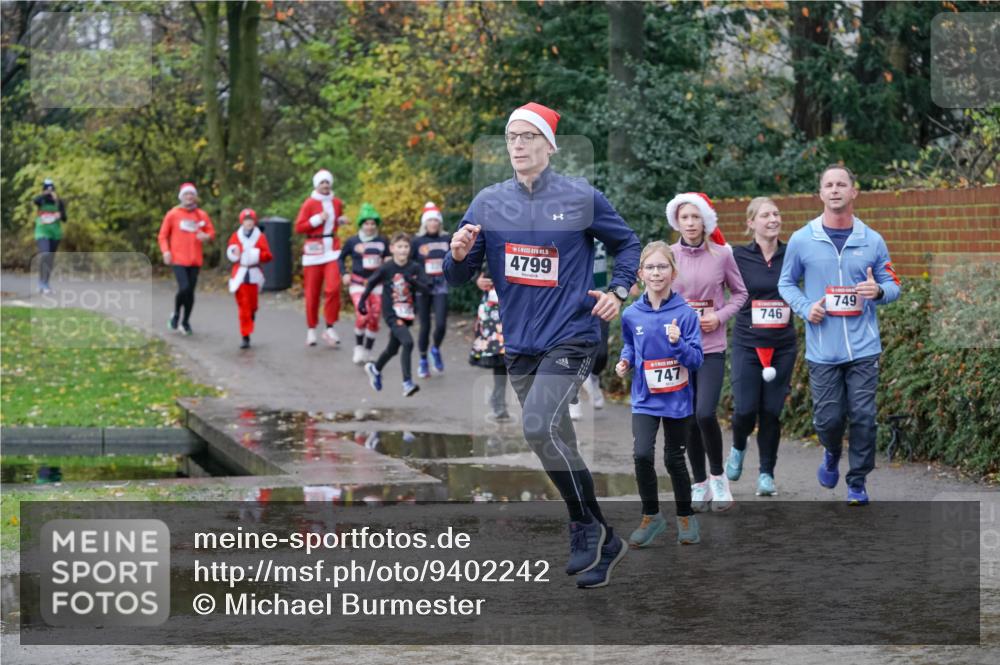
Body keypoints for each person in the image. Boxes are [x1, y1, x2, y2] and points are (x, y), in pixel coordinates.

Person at [444, 102, 641, 589]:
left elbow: (629, 245)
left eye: (528, 136)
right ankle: (605, 537)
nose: (517, 145)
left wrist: (618, 291)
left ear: (548, 146)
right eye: (511, 136)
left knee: (536, 426)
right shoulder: (488, 202)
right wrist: (457, 255)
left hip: (573, 335)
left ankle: (582, 527)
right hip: (521, 346)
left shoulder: (580, 196)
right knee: (558, 443)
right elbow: (459, 276)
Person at [778, 165, 900, 505]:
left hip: (863, 349)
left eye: (841, 184)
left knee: (863, 416)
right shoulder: (803, 239)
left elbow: (894, 285)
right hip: (823, 350)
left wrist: (877, 291)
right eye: (828, 185)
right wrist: (805, 308)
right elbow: (786, 283)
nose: (835, 190)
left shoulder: (872, 240)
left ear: (853, 192)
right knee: (828, 419)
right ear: (820, 194)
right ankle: (831, 451)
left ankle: (858, 481)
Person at [617, 241, 703, 547]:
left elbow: (696, 360)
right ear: (641, 273)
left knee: (674, 459)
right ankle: (651, 515)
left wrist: (679, 343)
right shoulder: (631, 314)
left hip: (678, 400)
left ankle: (685, 516)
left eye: (662, 267)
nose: (656, 273)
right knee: (641, 454)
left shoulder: (686, 314)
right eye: (650, 267)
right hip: (644, 398)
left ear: (673, 272)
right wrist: (625, 360)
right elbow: (629, 344)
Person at [667, 192, 748, 511]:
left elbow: (740, 294)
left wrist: (719, 315)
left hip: (711, 347)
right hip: (678, 348)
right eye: (684, 217)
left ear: (705, 221)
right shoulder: (669, 255)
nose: (689, 223)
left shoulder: (722, 254)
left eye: (695, 217)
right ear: (677, 221)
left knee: (704, 413)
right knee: (686, 418)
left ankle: (719, 478)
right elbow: (656, 295)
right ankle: (699, 483)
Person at [726, 197, 797, 496]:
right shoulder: (736, 256)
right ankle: (738, 447)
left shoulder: (792, 253)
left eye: (777, 214)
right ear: (751, 222)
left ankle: (766, 474)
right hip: (747, 342)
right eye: (766, 215)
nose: (773, 219)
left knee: (771, 411)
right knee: (745, 410)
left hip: (782, 345)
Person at [360, 232, 431, 397]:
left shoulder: (415, 268)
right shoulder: (387, 268)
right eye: (399, 247)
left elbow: (427, 289)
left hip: (407, 313)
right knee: (408, 342)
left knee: (393, 349)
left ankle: (375, 368)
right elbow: (371, 282)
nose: (403, 250)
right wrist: (362, 301)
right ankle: (407, 383)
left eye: (406, 247)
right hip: (391, 314)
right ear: (392, 249)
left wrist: (412, 281)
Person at [295, 169, 349, 347]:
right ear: (316, 186)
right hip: (313, 250)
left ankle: (330, 326)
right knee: (312, 292)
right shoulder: (309, 204)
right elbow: (299, 227)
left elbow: (335, 221)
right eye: (322, 183)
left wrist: (340, 221)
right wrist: (317, 219)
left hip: (332, 249)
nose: (325, 186)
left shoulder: (337, 202)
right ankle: (311, 329)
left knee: (333, 288)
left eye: (327, 183)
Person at [158, 182, 216, 335]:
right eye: (186, 194)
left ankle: (186, 321)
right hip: (178, 259)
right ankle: (176, 314)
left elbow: (211, 233)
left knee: (190, 292)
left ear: (195, 197)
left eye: (192, 194)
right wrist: (166, 251)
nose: (189, 197)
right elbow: (163, 235)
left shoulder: (201, 215)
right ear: (181, 197)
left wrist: (206, 236)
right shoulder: (173, 214)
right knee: (183, 288)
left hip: (195, 260)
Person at [339, 202, 391, 364]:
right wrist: (344, 274)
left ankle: (368, 351)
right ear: (362, 224)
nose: (369, 227)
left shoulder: (382, 241)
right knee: (363, 315)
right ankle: (358, 348)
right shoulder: (352, 241)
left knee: (374, 317)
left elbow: (389, 260)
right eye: (367, 223)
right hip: (358, 283)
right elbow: (340, 258)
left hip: (377, 285)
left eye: (372, 223)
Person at [411, 201, 452, 378]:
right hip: (423, 287)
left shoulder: (446, 239)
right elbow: (410, 262)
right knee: (425, 326)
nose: (433, 224)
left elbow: (455, 258)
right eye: (430, 221)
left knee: (441, 323)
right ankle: (422, 361)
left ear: (439, 223)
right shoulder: (417, 241)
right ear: (424, 223)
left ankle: (435, 349)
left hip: (441, 285)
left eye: (436, 221)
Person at [570, 239, 609, 420]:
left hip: (601, 298)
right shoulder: (568, 228)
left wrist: (627, 279)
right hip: (573, 300)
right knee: (570, 351)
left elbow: (624, 248)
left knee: (601, 354)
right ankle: (573, 398)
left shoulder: (604, 228)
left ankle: (593, 377)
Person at [226, 208, 273, 349]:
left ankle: (249, 321)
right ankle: (245, 336)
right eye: (246, 220)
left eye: (251, 220)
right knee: (243, 305)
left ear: (254, 221)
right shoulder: (236, 236)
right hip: (240, 274)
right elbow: (230, 252)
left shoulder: (260, 237)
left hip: (254, 274)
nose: (248, 223)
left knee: (252, 306)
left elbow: (268, 256)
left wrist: (256, 254)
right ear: (242, 221)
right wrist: (234, 253)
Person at [469, 262, 509, 422]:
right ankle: (498, 401)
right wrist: (476, 278)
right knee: (500, 357)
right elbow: (470, 261)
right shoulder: (489, 237)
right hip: (493, 309)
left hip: (519, 302)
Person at [32, 178, 67, 294]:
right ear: (43, 190)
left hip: (55, 234)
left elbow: (65, 219)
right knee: (45, 253)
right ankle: (41, 282)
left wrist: (59, 215)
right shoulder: (41, 201)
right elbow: (35, 201)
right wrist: (45, 194)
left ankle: (45, 283)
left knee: (50, 258)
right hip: (42, 231)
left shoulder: (58, 202)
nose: (49, 192)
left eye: (51, 189)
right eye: (47, 189)